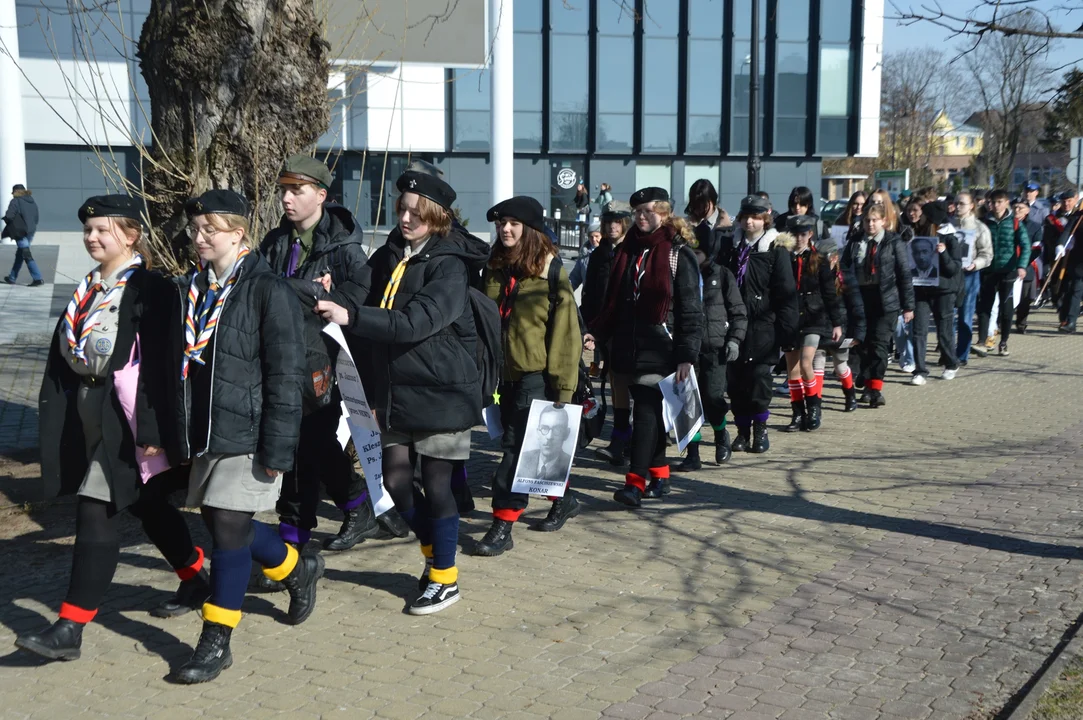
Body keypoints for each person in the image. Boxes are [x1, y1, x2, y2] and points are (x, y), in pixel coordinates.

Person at [15, 195, 206, 663]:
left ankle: (69, 628)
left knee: (95, 510)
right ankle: (198, 578)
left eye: (103, 230)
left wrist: (156, 427)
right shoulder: (87, 288)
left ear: (130, 235)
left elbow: (164, 366)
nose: (92, 237)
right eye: (88, 230)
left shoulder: (151, 289)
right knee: (147, 505)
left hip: (128, 417)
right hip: (87, 412)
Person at [316, 169, 489, 615]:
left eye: (416, 212)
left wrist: (351, 318)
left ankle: (445, 579)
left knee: (436, 484)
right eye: (402, 210)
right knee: (394, 479)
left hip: (442, 391)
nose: (406, 219)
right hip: (397, 390)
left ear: (437, 216)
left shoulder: (450, 265)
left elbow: (415, 322)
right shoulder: (393, 249)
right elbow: (359, 290)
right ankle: (436, 556)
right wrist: (322, 297)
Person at [171, 189, 321, 683]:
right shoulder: (195, 288)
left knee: (229, 528)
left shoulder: (267, 290)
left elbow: (285, 375)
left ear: (238, 234)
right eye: (196, 230)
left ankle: (216, 640)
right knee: (220, 523)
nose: (199, 238)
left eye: (209, 230)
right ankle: (297, 569)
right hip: (207, 431)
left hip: (251, 432)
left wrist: (278, 447)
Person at [258, 154, 387, 557]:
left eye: (296, 190)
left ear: (320, 195)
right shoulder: (276, 242)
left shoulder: (346, 251)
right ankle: (354, 504)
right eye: (283, 190)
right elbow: (261, 290)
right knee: (312, 443)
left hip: (326, 362)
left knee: (305, 445)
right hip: (280, 357)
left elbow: (356, 304)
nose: (286, 198)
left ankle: (293, 538)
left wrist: (320, 295)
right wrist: (306, 291)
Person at [475, 195, 582, 555]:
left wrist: (562, 390)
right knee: (530, 449)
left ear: (530, 230)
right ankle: (563, 499)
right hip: (500, 374)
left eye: (513, 224)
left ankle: (502, 525)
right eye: (501, 223)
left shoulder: (551, 271)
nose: (505, 229)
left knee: (516, 451)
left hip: (535, 375)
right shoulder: (492, 267)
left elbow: (566, 335)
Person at [588, 187, 703, 506]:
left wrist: (686, 356)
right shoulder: (629, 251)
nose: (641, 217)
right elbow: (616, 301)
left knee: (647, 414)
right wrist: (596, 332)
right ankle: (661, 475)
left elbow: (692, 309)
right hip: (630, 343)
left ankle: (634, 483)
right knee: (648, 412)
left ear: (664, 214)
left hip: (663, 345)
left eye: (648, 211)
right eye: (637, 211)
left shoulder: (677, 253)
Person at [718, 195, 798, 451]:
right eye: (746, 217)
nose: (750, 222)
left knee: (760, 379)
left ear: (765, 219)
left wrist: (788, 333)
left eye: (756, 217)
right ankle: (742, 431)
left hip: (764, 325)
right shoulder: (731, 246)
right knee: (736, 380)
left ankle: (760, 430)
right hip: (734, 324)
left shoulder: (775, 249)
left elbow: (786, 293)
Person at [677, 179, 747, 470]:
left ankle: (720, 433)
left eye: (699, 253)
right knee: (688, 399)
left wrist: (734, 340)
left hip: (716, 346)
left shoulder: (723, 275)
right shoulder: (682, 275)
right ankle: (692, 453)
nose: (694, 258)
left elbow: (739, 311)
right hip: (687, 348)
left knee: (713, 396)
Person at [841, 203, 914, 408]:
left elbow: (904, 274)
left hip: (885, 300)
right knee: (863, 345)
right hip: (861, 299)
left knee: (880, 344)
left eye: (874, 220)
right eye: (867, 220)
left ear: (883, 221)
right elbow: (844, 269)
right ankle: (866, 383)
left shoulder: (893, 242)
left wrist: (908, 306)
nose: (870, 224)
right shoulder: (856, 241)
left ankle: (876, 389)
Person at [581, 200, 634, 466]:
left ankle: (630, 438)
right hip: (605, 328)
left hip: (630, 326)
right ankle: (621, 438)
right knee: (615, 383)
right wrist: (589, 328)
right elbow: (591, 292)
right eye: (608, 221)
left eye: (618, 221)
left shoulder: (635, 249)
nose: (612, 226)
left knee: (628, 383)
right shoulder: (600, 253)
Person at [780, 214, 843, 432]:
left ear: (810, 235)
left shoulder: (820, 260)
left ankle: (814, 407)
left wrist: (837, 323)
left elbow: (829, 294)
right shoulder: (782, 258)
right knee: (792, 369)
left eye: (803, 234)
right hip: (789, 317)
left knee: (807, 362)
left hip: (813, 316)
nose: (799, 238)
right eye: (795, 234)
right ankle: (798, 413)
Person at [909, 202, 961, 384]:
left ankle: (951, 363)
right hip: (921, 288)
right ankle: (920, 370)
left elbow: (954, 268)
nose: (919, 215)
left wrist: (944, 253)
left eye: (923, 214)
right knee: (919, 330)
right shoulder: (916, 234)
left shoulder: (950, 237)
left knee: (944, 330)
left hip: (944, 290)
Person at [813, 236, 865, 412]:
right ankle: (816, 404)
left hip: (840, 330)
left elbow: (857, 306)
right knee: (817, 365)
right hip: (819, 326)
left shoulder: (846, 278)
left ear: (834, 257)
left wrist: (857, 334)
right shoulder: (814, 276)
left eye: (822, 259)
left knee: (840, 365)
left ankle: (850, 395)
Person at [976, 189, 1028, 357]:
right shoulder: (984, 222)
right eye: (993, 202)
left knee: (1006, 309)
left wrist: (1021, 265)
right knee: (985, 307)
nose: (996, 206)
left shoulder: (1015, 223)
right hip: (988, 270)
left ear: (1007, 203)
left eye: (1000, 202)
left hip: (1008, 271)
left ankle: (1004, 341)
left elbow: (1025, 245)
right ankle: (982, 341)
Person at [953, 192, 993, 365]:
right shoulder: (947, 225)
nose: (957, 207)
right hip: (949, 275)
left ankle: (961, 355)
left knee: (965, 315)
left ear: (971, 206)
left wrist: (975, 264)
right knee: (946, 316)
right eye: (955, 203)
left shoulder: (979, 228)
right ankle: (947, 352)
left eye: (961, 203)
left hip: (969, 274)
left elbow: (987, 254)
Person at [518, 405, 574, 484]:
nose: (549, 436)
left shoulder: (567, 463)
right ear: (538, 432)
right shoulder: (523, 459)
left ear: (566, 434)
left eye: (557, 429)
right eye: (544, 428)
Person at [1012, 196, 1043, 334]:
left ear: (1027, 210)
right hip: (1007, 266)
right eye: (1015, 207)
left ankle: (1021, 323)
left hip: (1026, 266)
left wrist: (1023, 263)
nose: (1017, 210)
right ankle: (1001, 322)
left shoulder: (1035, 227)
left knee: (1024, 299)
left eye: (1021, 208)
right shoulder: (1007, 224)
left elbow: (1037, 248)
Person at [3, 184, 43, 286]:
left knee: (26, 253)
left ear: (15, 192)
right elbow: (36, 217)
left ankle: (38, 278)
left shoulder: (15, 201)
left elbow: (9, 215)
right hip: (31, 231)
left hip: (20, 231)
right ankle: (12, 277)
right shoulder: (31, 200)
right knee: (20, 254)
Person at [1056, 202, 1083, 333]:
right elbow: (1067, 231)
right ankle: (1069, 321)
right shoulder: (1078, 217)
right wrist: (1060, 245)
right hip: (1079, 261)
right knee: (1073, 290)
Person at [569, 217, 601, 291]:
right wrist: (566, 291)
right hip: (587, 296)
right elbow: (575, 277)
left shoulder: (609, 252)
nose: (594, 240)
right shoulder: (585, 253)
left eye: (597, 236)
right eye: (591, 236)